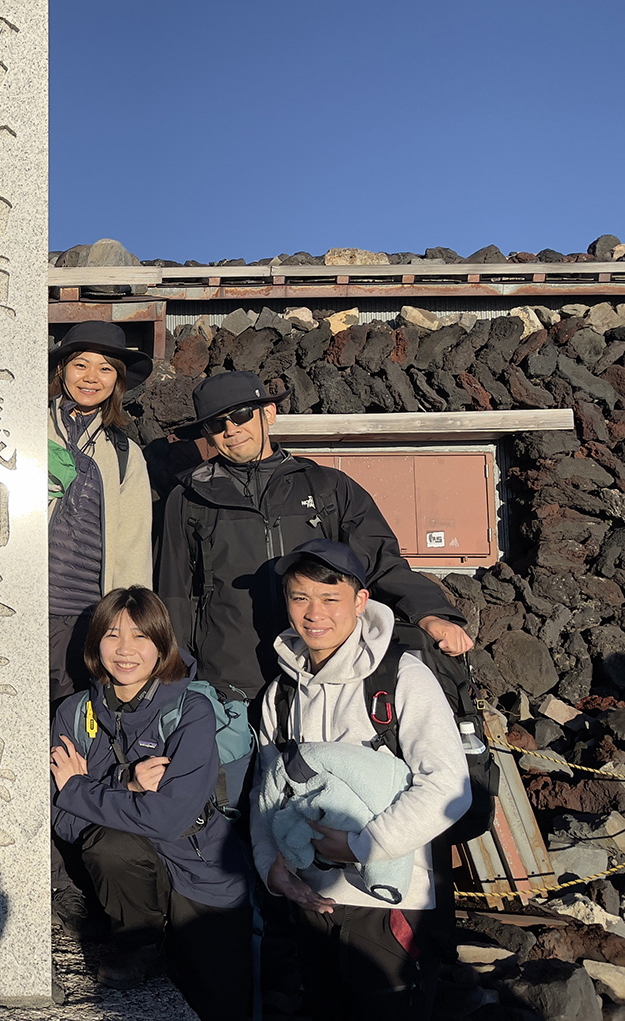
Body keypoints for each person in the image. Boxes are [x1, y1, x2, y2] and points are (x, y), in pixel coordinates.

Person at [157, 370, 472, 707]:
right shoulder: (189, 499)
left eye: (241, 415)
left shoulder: (328, 487)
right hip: (230, 686)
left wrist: (431, 613)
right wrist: (176, 679)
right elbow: (173, 594)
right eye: (216, 425)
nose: (231, 429)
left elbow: (382, 563)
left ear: (269, 414)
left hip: (325, 678)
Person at [250, 539, 470, 1021]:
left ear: (361, 601)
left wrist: (360, 845)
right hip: (310, 899)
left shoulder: (401, 679)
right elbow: (265, 791)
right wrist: (273, 866)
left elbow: (448, 787)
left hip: (391, 903)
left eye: (330, 598)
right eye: (299, 597)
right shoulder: (280, 695)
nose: (314, 614)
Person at [50, 587, 252, 1019]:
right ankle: (140, 943)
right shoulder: (72, 712)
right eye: (111, 635)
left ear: (162, 645)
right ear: (94, 643)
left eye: (141, 636)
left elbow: (170, 816)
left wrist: (81, 789)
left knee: (219, 1002)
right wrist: (126, 786)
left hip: (201, 868)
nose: (125, 650)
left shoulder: (190, 709)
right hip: (129, 881)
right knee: (110, 843)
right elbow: (58, 815)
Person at [47, 321, 154, 702]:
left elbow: (134, 547)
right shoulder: (23, 431)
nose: (92, 377)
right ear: (61, 370)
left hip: (86, 616)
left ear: (117, 381)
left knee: (70, 719)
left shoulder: (125, 455)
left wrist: (129, 625)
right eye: (81, 365)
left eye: (105, 368)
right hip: (15, 603)